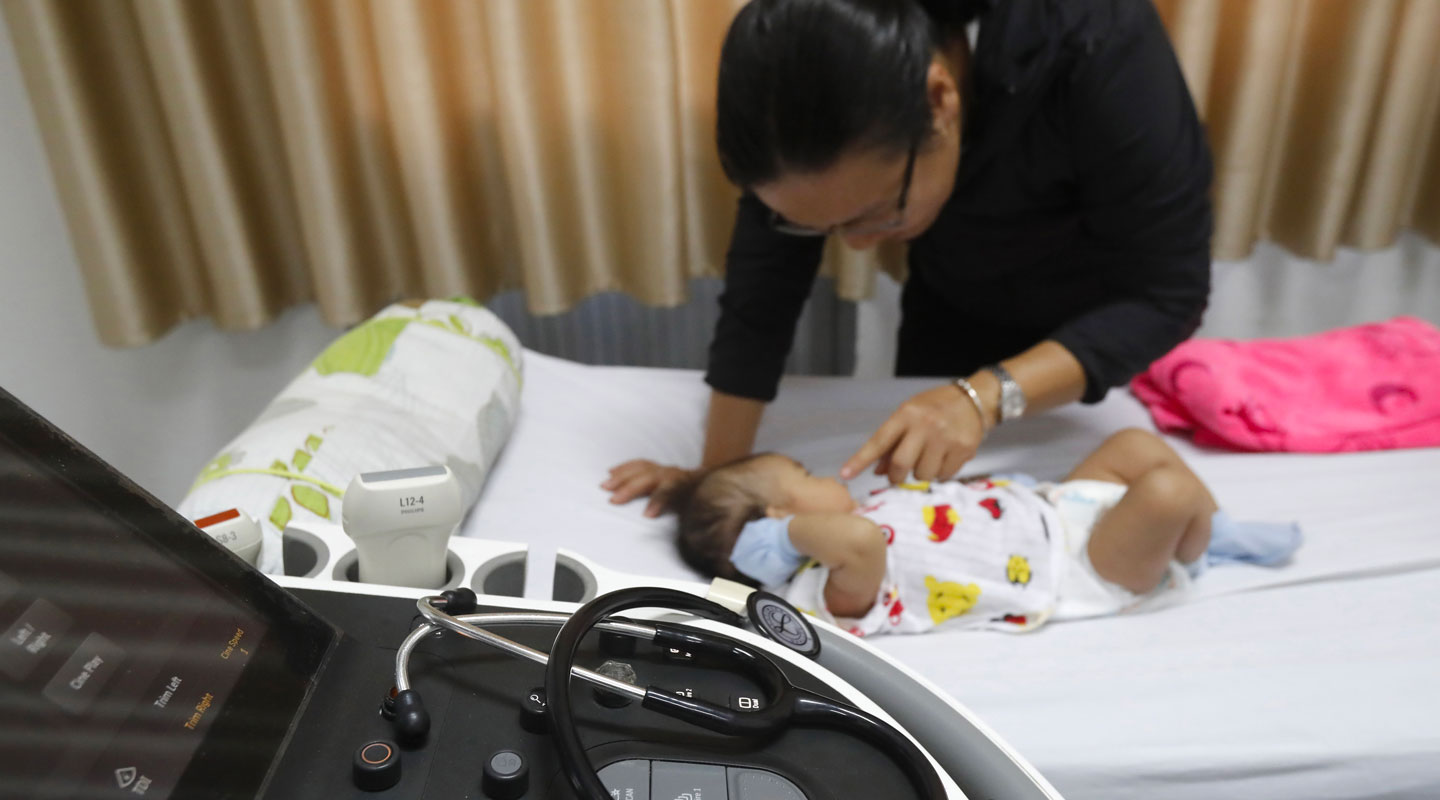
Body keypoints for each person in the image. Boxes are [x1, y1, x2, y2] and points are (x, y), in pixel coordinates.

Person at [605, 0, 1213, 515]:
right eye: (825, 226)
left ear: (940, 99)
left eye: (876, 214)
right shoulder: (802, 81)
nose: (861, 245)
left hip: (1089, 321)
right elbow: (760, 301)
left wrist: (986, 396)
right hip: (951, 301)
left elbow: (1167, 292)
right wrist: (719, 479)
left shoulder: (1094, 40)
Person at [669, 429, 1300, 635]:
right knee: (1166, 492)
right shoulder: (826, 590)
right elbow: (859, 546)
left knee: (1135, 445)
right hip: (1081, 570)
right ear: (785, 522)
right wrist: (789, 541)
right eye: (801, 475)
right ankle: (1203, 548)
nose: (818, 473)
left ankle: (1208, 528)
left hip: (1052, 511)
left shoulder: (865, 513)